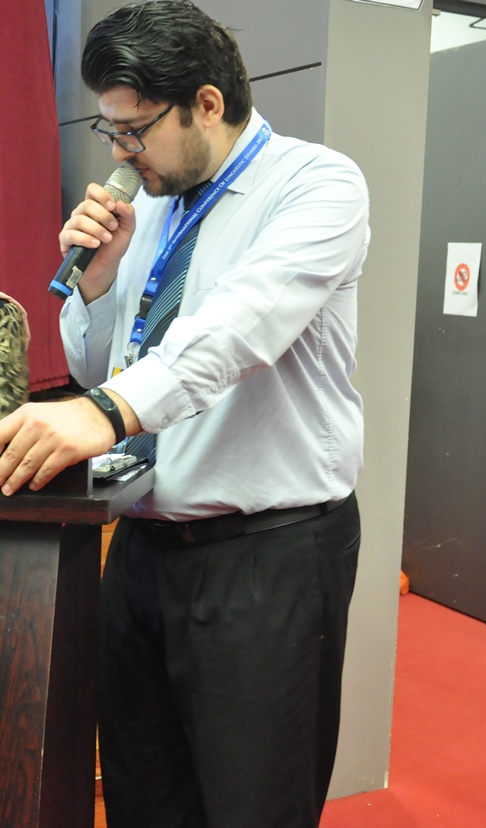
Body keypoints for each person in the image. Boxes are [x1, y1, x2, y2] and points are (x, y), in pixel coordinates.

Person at [0, 1, 369, 826]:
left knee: (251, 804)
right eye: (110, 131)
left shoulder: (316, 185)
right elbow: (108, 367)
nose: (120, 153)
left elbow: (238, 331)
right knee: (143, 797)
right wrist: (99, 286)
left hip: (266, 555)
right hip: (142, 548)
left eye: (134, 131)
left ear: (206, 103)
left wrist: (103, 410)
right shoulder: (156, 206)